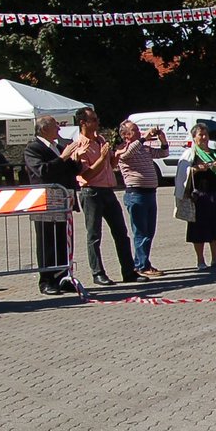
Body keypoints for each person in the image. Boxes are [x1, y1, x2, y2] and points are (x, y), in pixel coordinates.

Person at [71, 106, 139, 286]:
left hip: (108, 191)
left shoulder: (100, 139)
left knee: (121, 233)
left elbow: (110, 163)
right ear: (83, 123)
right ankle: (98, 273)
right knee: (94, 235)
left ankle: (129, 271)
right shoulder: (79, 145)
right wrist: (101, 158)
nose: (97, 122)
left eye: (97, 119)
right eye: (93, 119)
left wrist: (116, 154)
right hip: (91, 192)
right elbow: (86, 175)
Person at [22, 116, 79, 295]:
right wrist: (63, 158)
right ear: (44, 129)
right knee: (47, 242)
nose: (59, 129)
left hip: (61, 202)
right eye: (55, 126)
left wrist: (77, 157)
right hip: (44, 201)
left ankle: (62, 277)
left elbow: (73, 170)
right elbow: (42, 171)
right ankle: (46, 280)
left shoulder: (58, 146)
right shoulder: (33, 148)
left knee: (62, 241)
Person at [114, 120, 169, 278]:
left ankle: (141, 262)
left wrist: (162, 139)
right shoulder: (122, 149)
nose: (138, 132)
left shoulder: (143, 148)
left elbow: (163, 154)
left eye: (138, 130)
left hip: (150, 193)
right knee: (140, 232)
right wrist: (144, 137)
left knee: (149, 231)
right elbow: (127, 154)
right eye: (134, 130)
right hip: (136, 195)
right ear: (125, 135)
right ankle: (142, 266)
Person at [176, 123, 216, 270]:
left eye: (206, 134)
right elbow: (183, 173)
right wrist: (197, 169)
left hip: (215, 193)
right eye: (200, 135)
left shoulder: (215, 153)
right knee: (199, 229)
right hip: (199, 196)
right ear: (194, 137)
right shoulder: (191, 154)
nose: (204, 138)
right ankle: (200, 261)